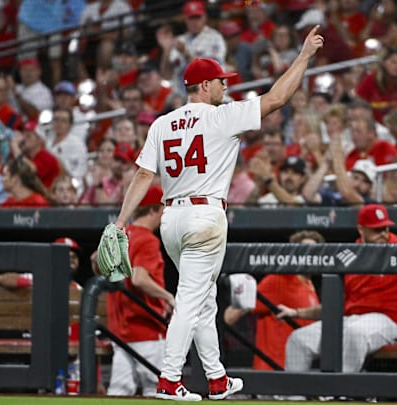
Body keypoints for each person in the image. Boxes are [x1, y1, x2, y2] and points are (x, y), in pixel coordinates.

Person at [111, 26, 325, 401]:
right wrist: (304, 56)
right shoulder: (220, 116)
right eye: (221, 82)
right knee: (191, 300)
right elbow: (277, 97)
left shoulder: (161, 124)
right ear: (205, 86)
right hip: (205, 217)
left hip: (172, 220)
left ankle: (217, 378)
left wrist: (120, 221)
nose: (226, 87)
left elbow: (144, 174)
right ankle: (169, 379)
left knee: (204, 299)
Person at [283, 204, 397, 373]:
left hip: (389, 322)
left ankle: (341, 394)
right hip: (352, 320)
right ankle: (296, 397)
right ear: (361, 230)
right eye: (376, 230)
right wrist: (297, 313)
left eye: (385, 228)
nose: (383, 234)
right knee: (298, 340)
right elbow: (337, 306)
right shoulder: (351, 256)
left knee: (356, 332)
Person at [102, 185, 175, 397]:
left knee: (119, 392)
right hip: (146, 330)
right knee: (157, 391)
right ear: (153, 210)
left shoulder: (119, 236)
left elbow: (96, 264)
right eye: (163, 209)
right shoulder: (147, 239)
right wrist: (168, 296)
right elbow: (139, 278)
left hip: (120, 332)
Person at [223, 230, 323, 370]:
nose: (310, 254)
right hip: (273, 369)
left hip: (297, 369)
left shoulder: (309, 285)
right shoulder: (279, 280)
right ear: (294, 253)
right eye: (305, 249)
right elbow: (232, 315)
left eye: (315, 250)